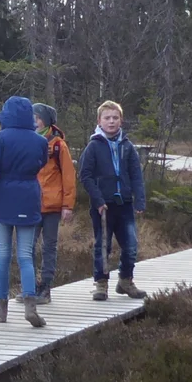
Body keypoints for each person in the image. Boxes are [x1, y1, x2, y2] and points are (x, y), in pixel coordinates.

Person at [0, 93, 49, 328]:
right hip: (29, 198)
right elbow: (41, 164)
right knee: (26, 255)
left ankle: (1, 310)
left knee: (3, 255)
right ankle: (30, 306)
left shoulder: (0, 139)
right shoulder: (40, 141)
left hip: (3, 198)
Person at [80, 99, 148, 301]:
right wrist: (98, 199)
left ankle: (125, 280)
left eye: (115, 118)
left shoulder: (127, 146)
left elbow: (136, 175)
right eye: (107, 118)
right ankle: (101, 284)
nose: (111, 121)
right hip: (103, 206)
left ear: (121, 120)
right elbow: (85, 176)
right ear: (99, 121)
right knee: (103, 246)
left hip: (124, 204)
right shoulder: (93, 146)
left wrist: (140, 200)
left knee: (131, 245)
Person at [32, 102, 77, 305]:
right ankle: (29, 287)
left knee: (49, 247)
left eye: (38, 117)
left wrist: (68, 205)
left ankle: (45, 288)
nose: (34, 120)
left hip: (52, 206)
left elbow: (69, 176)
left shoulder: (58, 145)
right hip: (30, 205)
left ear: (46, 121)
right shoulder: (27, 141)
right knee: (27, 248)